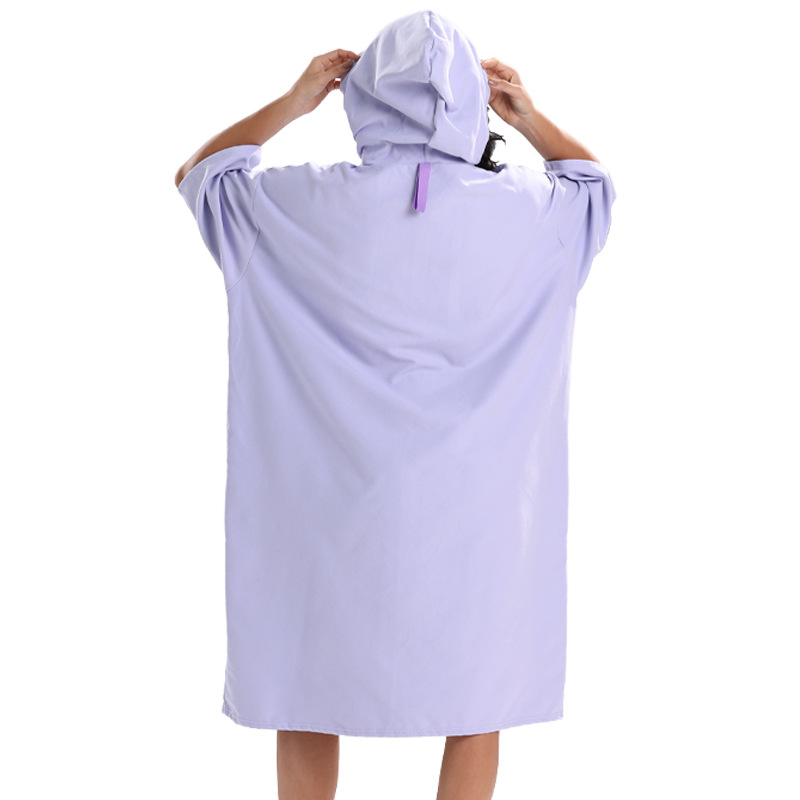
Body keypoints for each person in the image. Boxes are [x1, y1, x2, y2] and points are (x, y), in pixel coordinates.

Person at [175, 10, 615, 800]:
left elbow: (201, 173)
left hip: (326, 516)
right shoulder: (527, 212)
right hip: (476, 519)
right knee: (477, 697)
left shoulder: (292, 204)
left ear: (362, 98)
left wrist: (296, 100)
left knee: (305, 687)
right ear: (473, 103)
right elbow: (592, 186)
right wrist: (527, 117)